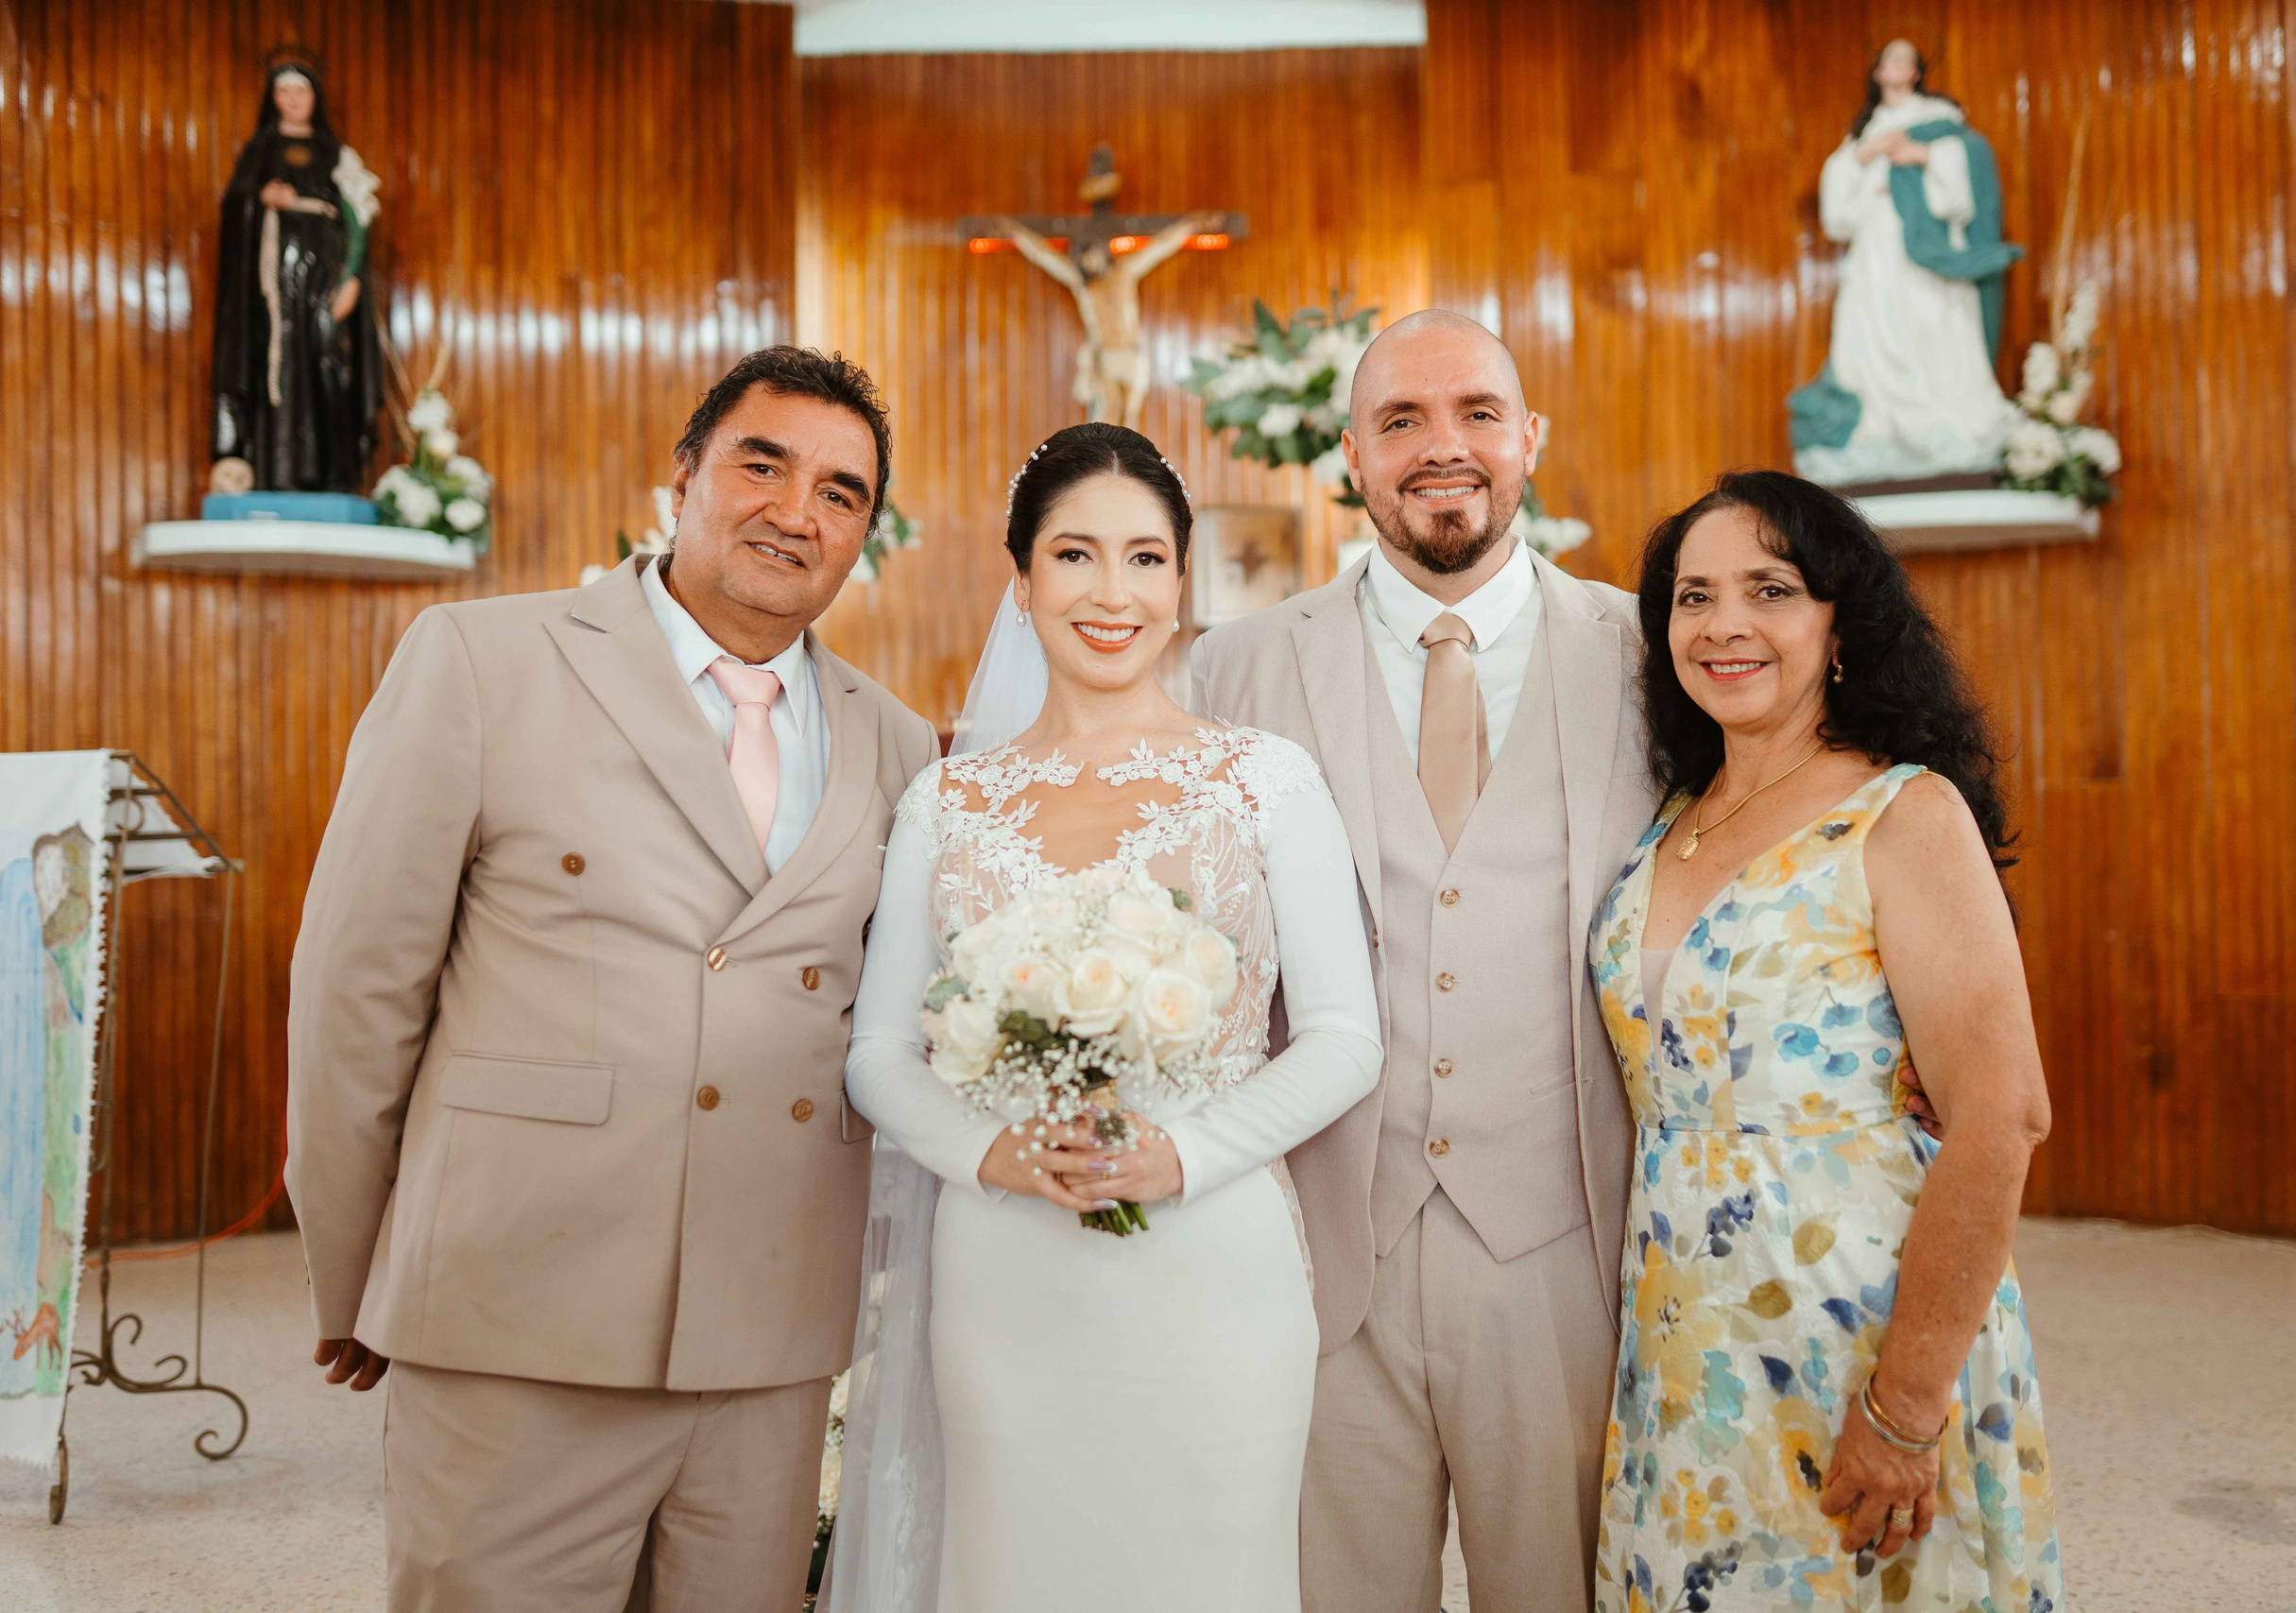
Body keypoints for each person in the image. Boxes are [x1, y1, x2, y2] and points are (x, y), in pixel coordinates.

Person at [284, 348, 938, 1612]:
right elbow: (358, 988)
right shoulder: (483, 659)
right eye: (763, 463)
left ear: (864, 530)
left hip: (767, 1339)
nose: (797, 509)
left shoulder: (899, 741)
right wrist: (362, 1270)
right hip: (511, 1309)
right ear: (683, 473)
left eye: (842, 492)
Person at [828, 422, 1382, 1613]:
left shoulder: (1263, 779)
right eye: (1075, 556)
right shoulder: (949, 800)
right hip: (1005, 1266)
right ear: (1021, 581)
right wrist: (988, 1152)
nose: (1111, 591)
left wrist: (1185, 1152)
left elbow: (1343, 1033)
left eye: (1144, 558)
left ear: (1182, 584)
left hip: (1215, 1264)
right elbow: (876, 1051)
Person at [1191, 309, 1661, 1612]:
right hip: (1321, 1237)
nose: (1440, 446)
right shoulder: (1232, 667)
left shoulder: (1651, 653)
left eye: (1475, 412)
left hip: (1565, 1232)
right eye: (1399, 419)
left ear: (1530, 439)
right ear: (1350, 452)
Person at [1587, 470, 2064, 1609]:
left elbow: (2004, 1113)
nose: (1725, 625)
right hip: (1682, 1335)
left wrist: (1903, 1407)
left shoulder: (1903, 814)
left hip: (1850, 1322)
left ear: (1840, 626)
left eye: (1770, 589)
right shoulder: (1671, 818)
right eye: (1694, 597)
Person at [1788, 39, 2023, 487]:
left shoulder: (1937, 121)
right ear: (1877, 73)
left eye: (1905, 59)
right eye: (1888, 59)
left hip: (1922, 242)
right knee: (1868, 331)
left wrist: (1925, 155)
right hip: (1876, 246)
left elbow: (1968, 166)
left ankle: (1942, 425)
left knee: (1932, 321)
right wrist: (1866, 153)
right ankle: (1880, 428)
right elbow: (1837, 205)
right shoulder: (1865, 131)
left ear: (1916, 73)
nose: (1896, 66)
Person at [210, 59, 383, 493]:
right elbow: (233, 208)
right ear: (274, 99)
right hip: (271, 290)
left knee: (328, 362)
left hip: (324, 280)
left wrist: (351, 279)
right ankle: (274, 474)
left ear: (314, 98)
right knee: (277, 367)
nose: (293, 101)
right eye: (284, 92)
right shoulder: (260, 150)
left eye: (301, 92)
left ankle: (334, 474)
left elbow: (355, 220)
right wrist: (259, 197)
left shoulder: (334, 154)